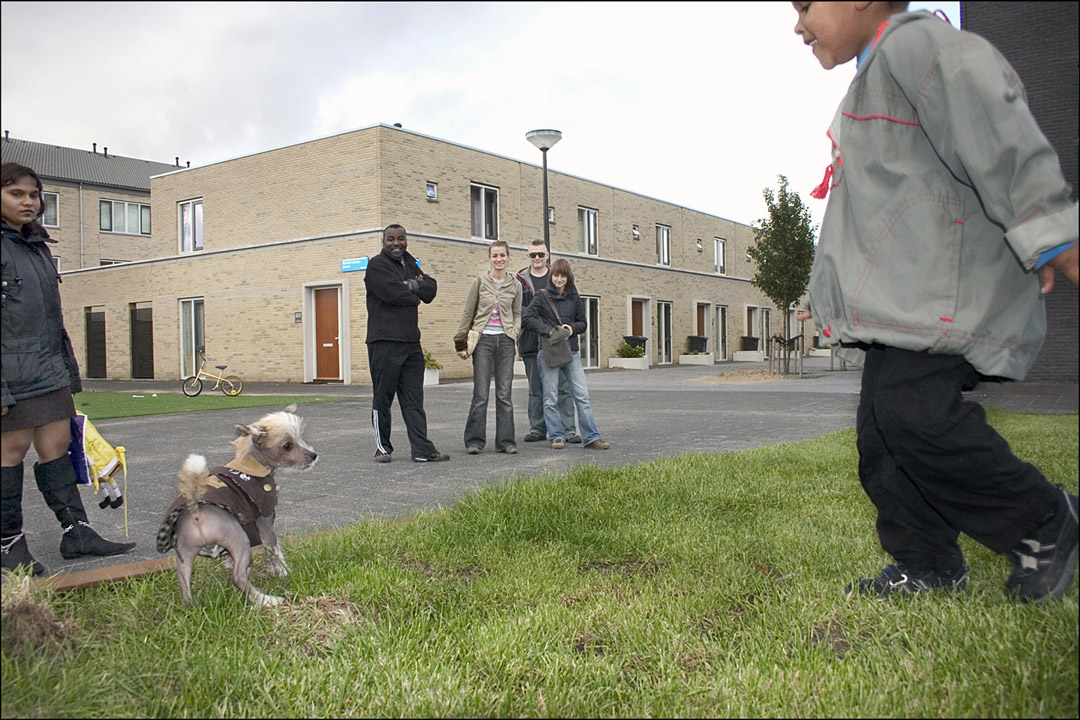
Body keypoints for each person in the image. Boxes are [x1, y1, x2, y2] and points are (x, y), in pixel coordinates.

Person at [790, 3, 1078, 602]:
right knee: (882, 436)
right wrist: (825, 295)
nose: (798, 24)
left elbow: (996, 133)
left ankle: (1044, 521)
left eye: (806, 5)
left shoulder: (917, 47)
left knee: (915, 417)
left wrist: (1051, 230)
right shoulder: (870, 79)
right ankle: (926, 561)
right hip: (903, 305)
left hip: (942, 293)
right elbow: (860, 216)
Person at [2, 163, 136, 576]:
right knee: (9, 454)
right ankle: (8, 544)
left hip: (48, 370)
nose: (28, 202)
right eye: (16, 194)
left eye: (34, 194)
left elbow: (51, 319)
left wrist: (66, 372)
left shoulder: (38, 247)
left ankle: (77, 533)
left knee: (57, 448)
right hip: (12, 375)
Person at [364, 224, 449, 464]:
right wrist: (414, 289)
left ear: (406, 241)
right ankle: (383, 448)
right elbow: (392, 294)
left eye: (400, 238)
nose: (396, 243)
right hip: (384, 343)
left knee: (414, 400)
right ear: (384, 241)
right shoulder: (376, 266)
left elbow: (430, 290)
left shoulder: (411, 264)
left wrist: (412, 285)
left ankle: (422, 449)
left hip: (412, 344)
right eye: (390, 239)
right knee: (383, 397)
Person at [522, 259, 609, 451]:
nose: (559, 279)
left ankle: (592, 437)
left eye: (563, 275)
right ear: (551, 276)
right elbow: (527, 317)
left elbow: (583, 322)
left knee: (582, 395)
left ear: (568, 277)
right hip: (548, 352)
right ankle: (557, 436)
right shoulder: (541, 296)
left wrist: (571, 329)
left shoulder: (574, 296)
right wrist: (549, 331)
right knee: (550, 397)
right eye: (556, 275)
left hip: (571, 352)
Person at [455, 241, 522, 454]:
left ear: (508, 257)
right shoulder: (480, 282)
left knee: (504, 394)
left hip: (505, 341)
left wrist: (515, 330)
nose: (499, 259)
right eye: (495, 255)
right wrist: (461, 338)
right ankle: (474, 441)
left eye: (502, 255)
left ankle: (506, 442)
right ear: (490, 258)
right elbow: (468, 312)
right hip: (482, 340)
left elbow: (518, 312)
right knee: (481, 393)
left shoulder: (516, 285)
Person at [516, 240, 579, 444]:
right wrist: (537, 322)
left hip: (556, 344)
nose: (536, 259)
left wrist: (560, 330)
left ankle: (568, 430)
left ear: (547, 256)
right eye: (532, 255)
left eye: (540, 255)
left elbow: (572, 307)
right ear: (528, 257)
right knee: (536, 388)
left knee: (563, 388)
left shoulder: (559, 277)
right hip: (530, 342)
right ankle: (537, 428)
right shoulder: (519, 280)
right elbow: (517, 309)